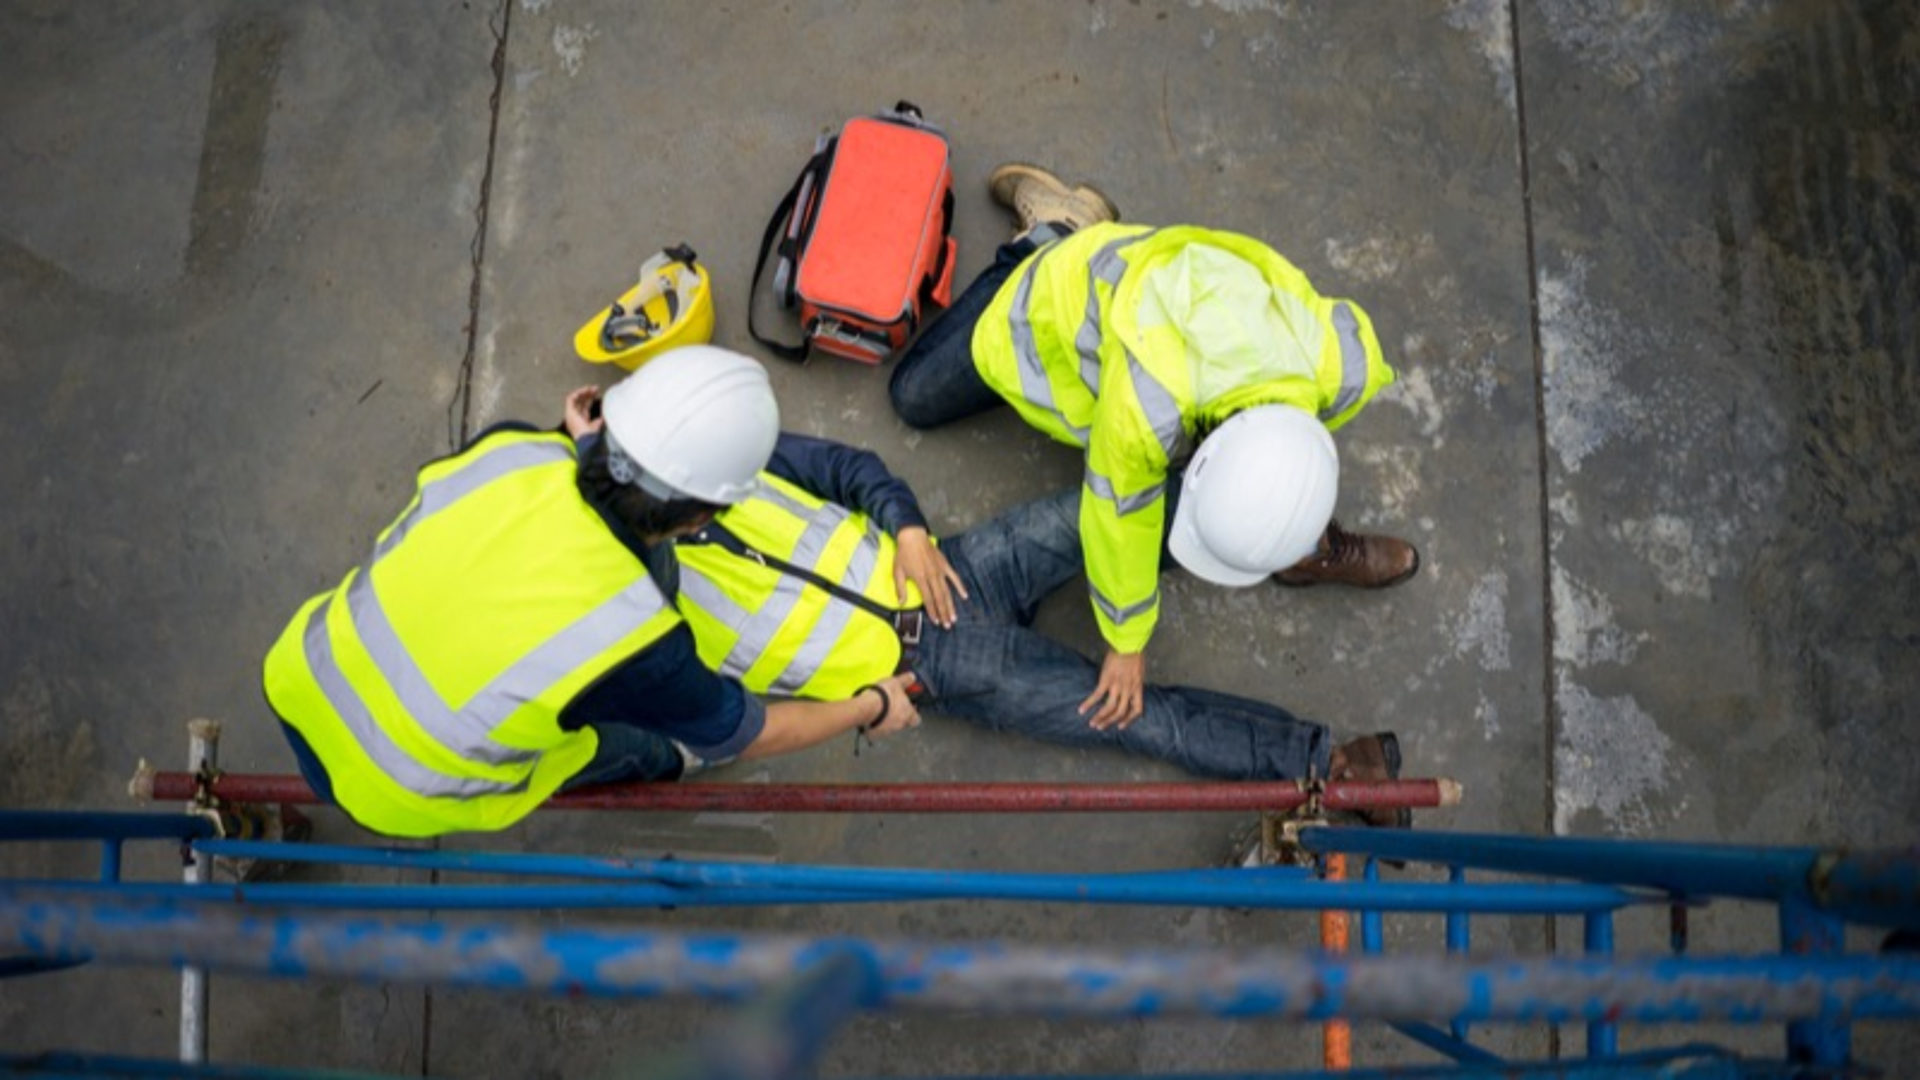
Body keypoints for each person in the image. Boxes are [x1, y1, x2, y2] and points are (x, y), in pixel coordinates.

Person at [261, 346, 921, 838]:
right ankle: (665, 760)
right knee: (634, 739)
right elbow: (751, 733)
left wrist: (582, 449)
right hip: (399, 784)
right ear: (699, 520)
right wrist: (870, 705)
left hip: (303, 670)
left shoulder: (512, 448)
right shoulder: (638, 637)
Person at [889, 164, 1420, 731]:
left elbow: (1291, 455)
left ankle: (1304, 547)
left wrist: (1289, 506)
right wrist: (1127, 641)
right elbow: (1118, 519)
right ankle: (1055, 229)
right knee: (914, 396)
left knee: (1250, 492)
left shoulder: (1343, 365)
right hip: (1050, 306)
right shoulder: (1144, 410)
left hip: (1157, 308)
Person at [653, 428, 1406, 814]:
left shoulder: (699, 460)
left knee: (1117, 513)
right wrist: (870, 706)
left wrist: (906, 527)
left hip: (957, 566)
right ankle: (1333, 765)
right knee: (1143, 719)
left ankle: (1292, 542)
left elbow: (847, 469)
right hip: (936, 673)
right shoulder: (640, 633)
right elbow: (731, 733)